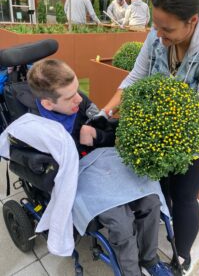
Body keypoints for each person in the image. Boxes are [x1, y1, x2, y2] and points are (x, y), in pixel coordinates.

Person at [102, 0, 199, 275]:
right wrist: (108, 108)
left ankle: (181, 257)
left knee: (184, 194)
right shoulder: (158, 34)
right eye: (156, 26)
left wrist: (154, 145)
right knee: (162, 185)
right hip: (167, 131)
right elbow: (137, 75)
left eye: (167, 29)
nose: (158, 35)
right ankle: (163, 218)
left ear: (192, 20)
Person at [26, 59, 173, 276]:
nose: (79, 98)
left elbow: (109, 131)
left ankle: (150, 260)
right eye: (70, 97)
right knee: (121, 223)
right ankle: (131, 272)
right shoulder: (35, 127)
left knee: (151, 201)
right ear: (48, 104)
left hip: (104, 162)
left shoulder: (81, 102)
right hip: (75, 177)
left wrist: (96, 136)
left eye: (78, 89)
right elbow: (47, 173)